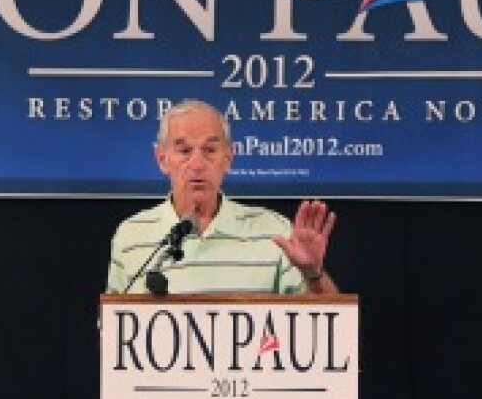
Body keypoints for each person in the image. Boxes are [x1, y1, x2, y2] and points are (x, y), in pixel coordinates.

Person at [105, 99, 339, 295]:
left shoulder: (274, 232)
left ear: (228, 158)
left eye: (210, 150)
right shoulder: (131, 235)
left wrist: (313, 274)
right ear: (161, 159)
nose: (197, 164)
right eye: (184, 151)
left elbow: (330, 324)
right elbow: (112, 327)